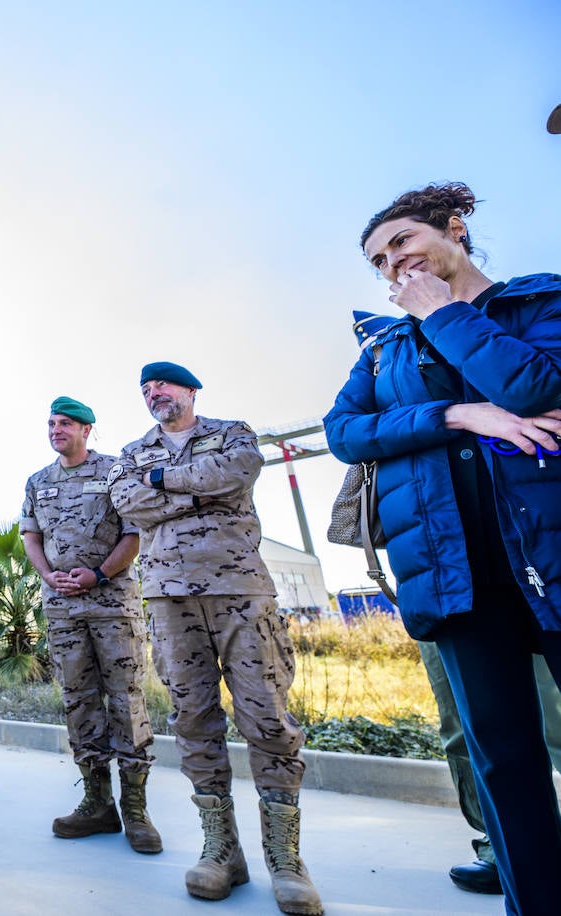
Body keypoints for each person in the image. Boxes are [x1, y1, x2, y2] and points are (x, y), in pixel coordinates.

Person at [324, 181, 561, 914]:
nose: (392, 265)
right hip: (454, 579)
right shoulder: (386, 349)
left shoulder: (539, 302)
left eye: (402, 243)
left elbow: (536, 385)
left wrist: (445, 314)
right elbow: (344, 431)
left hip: (551, 561)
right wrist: (460, 413)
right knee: (507, 764)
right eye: (378, 261)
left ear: (454, 229)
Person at [110, 361, 321, 915]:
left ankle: (285, 858)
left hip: (240, 591)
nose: (153, 392)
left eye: (163, 384)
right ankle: (221, 849)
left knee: (268, 716)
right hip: (168, 597)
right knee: (192, 718)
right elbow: (130, 503)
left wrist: (168, 484)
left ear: (190, 390)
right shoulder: (131, 454)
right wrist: (201, 489)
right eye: (145, 388)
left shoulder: (232, 433)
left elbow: (239, 472)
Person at [21, 396, 161, 854]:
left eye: (65, 424)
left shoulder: (116, 471)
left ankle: (136, 810)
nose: (56, 430)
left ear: (87, 429)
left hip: (111, 604)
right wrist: (48, 575)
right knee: (77, 699)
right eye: (51, 423)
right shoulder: (38, 481)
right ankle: (97, 803)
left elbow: (134, 533)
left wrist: (99, 574)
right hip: (62, 609)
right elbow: (31, 536)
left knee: (125, 697)